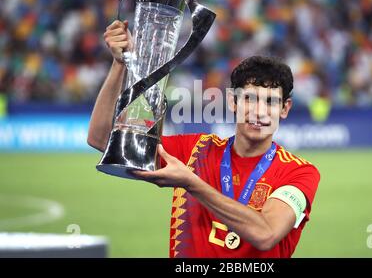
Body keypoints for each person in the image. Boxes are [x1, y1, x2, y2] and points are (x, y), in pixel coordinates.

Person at [87, 20, 320, 258]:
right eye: (249, 99)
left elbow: (266, 234)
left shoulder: (299, 173)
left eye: (270, 101)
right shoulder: (195, 150)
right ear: (232, 101)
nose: (259, 111)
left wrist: (191, 183)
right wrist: (120, 64)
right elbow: (101, 138)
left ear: (285, 108)